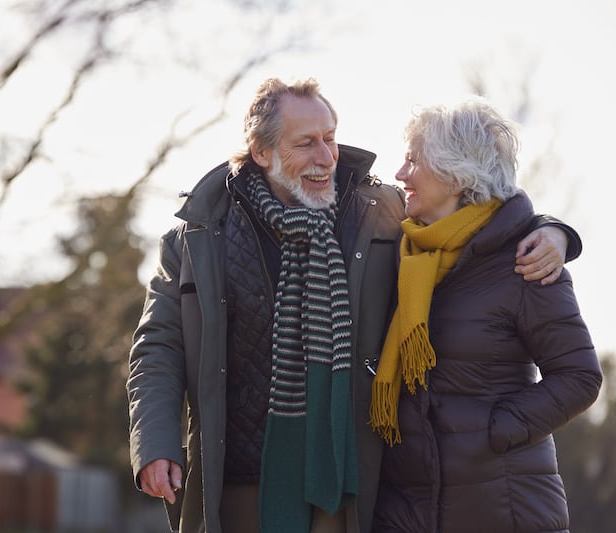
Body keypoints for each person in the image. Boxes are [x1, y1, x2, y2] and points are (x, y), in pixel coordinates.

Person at [126, 78, 580, 533]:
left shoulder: (380, 213)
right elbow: (158, 347)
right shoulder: (197, 238)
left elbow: (472, 214)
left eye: (330, 138)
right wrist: (156, 442)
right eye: (306, 143)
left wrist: (552, 230)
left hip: (346, 485)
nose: (325, 157)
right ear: (262, 152)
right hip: (236, 480)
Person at [369, 97, 603, 533]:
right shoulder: (404, 252)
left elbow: (580, 377)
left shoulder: (525, 260)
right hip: (410, 509)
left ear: (456, 174)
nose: (400, 174)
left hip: (503, 507)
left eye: (412, 161)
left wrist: (493, 430)